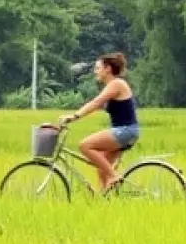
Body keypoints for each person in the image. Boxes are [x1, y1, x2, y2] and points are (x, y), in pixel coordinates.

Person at [59, 52, 139, 194]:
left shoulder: (117, 84)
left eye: (98, 68)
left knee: (85, 145)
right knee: (102, 170)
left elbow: (96, 103)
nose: (95, 71)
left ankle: (115, 176)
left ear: (107, 69)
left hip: (125, 131)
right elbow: (95, 107)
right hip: (124, 131)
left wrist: (74, 116)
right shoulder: (113, 85)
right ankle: (105, 202)